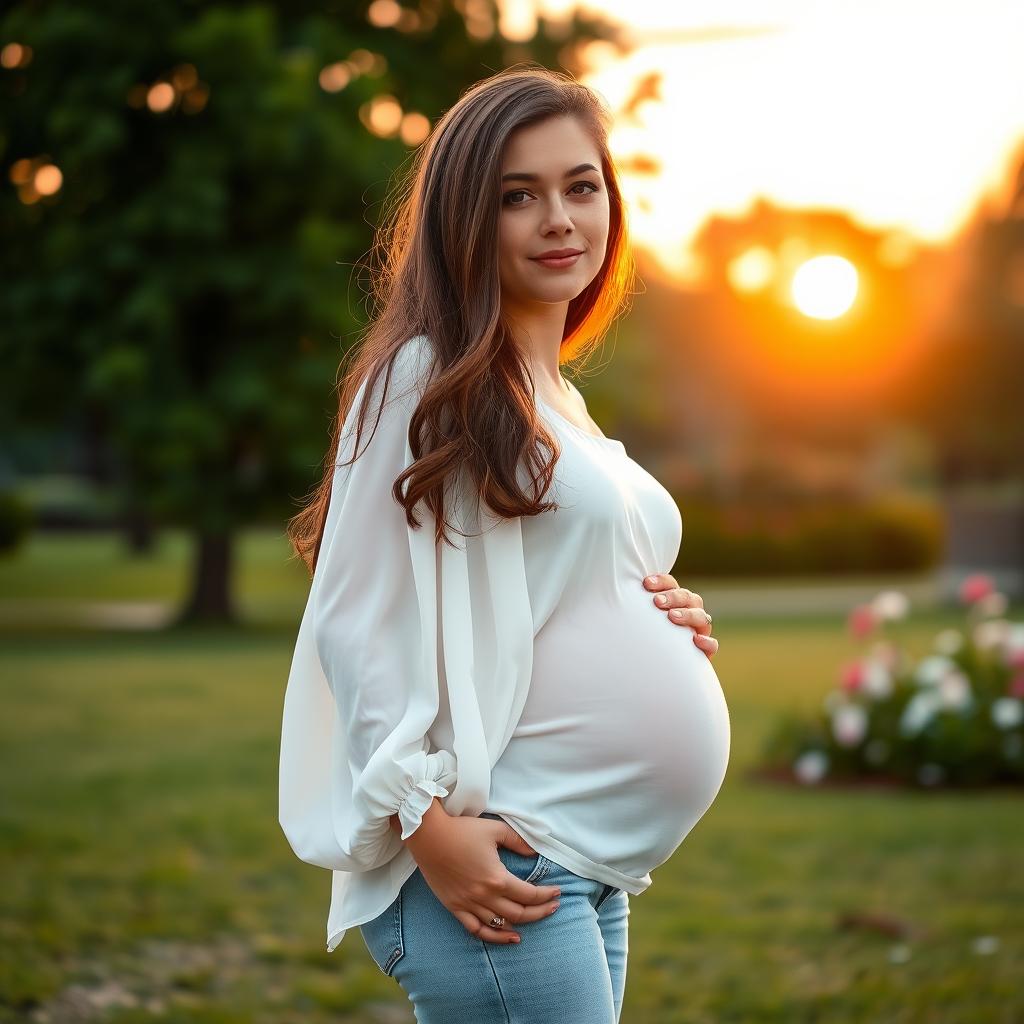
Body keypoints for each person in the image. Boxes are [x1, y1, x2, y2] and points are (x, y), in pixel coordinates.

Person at [278, 64, 730, 1023]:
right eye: (517, 196)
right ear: (463, 223)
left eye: (581, 185)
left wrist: (655, 605)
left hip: (580, 869)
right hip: (494, 865)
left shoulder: (553, 394)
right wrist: (426, 825)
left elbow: (547, 578)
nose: (560, 218)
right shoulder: (424, 375)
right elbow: (354, 623)